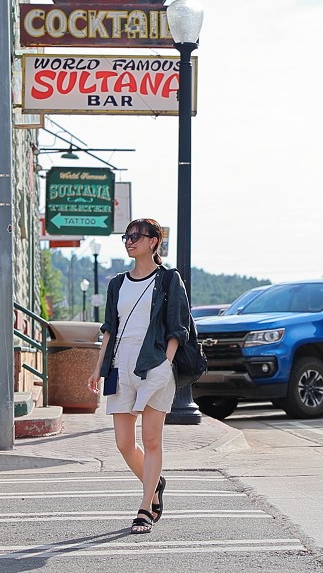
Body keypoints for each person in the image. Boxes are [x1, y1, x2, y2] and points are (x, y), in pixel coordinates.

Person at [87, 218, 191, 535]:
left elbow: (178, 328)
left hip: (153, 362)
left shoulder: (169, 279)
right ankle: (155, 483)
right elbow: (109, 328)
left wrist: (165, 364)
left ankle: (145, 507)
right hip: (120, 363)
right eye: (126, 236)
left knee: (151, 439)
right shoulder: (117, 283)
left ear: (153, 241)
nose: (129, 241)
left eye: (136, 236)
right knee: (123, 443)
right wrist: (98, 367)